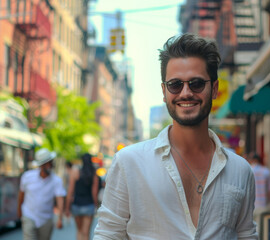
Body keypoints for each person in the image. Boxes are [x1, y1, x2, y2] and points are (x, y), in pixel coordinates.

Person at [94, 33, 257, 239]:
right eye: (175, 84)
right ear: (164, 91)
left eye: (197, 83)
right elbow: (109, 233)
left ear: (214, 89)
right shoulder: (129, 162)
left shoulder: (240, 170)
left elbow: (246, 234)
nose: (186, 92)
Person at [17, 148, 66, 240]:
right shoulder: (27, 177)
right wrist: (19, 211)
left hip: (46, 219)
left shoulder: (56, 181)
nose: (50, 165)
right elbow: (21, 195)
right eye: (48, 163)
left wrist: (60, 218)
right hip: (29, 216)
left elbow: (60, 199)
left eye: (50, 162)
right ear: (41, 165)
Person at [65, 153, 99, 240]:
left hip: (77, 204)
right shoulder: (93, 174)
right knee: (86, 232)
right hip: (89, 204)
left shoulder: (76, 172)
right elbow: (94, 193)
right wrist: (96, 205)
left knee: (79, 231)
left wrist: (67, 208)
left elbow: (70, 191)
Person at [248, 153, 270, 231]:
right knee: (261, 229)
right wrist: (268, 201)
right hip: (262, 204)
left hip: (249, 205)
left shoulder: (248, 170)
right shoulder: (266, 171)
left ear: (253, 160)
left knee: (249, 230)